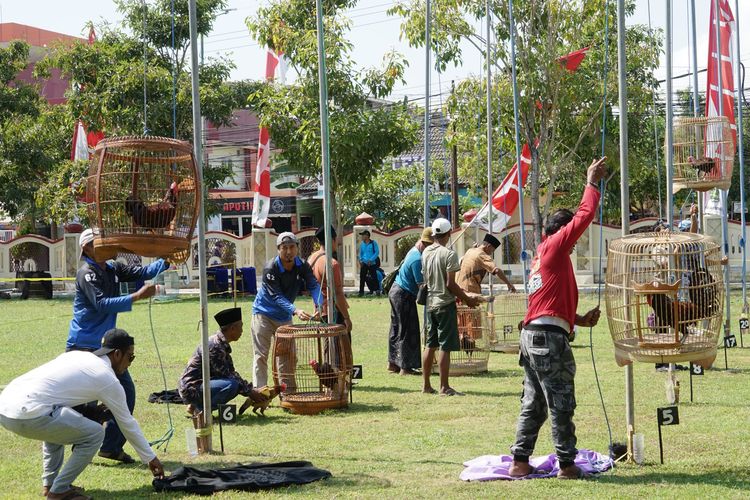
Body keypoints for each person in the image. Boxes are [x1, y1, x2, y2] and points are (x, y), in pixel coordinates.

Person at [507, 157, 606, 480]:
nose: (574, 243)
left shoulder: (542, 257)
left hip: (536, 334)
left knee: (534, 403)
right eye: (571, 237)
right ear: (562, 232)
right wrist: (591, 182)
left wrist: (577, 319)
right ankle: (566, 464)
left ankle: (520, 461)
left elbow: (545, 306)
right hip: (547, 340)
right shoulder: (554, 248)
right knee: (561, 400)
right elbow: (585, 215)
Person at [0, 329, 165, 500]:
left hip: (5, 409)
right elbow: (127, 423)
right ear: (117, 354)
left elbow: (55, 394)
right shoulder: (108, 379)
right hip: (28, 414)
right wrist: (150, 458)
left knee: (57, 426)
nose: (130, 363)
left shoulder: (76, 356)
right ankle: (59, 491)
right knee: (95, 433)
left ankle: (50, 484)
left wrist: (88, 411)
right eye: (130, 357)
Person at [67, 228, 169, 464]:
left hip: (107, 349)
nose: (106, 246)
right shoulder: (86, 272)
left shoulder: (112, 268)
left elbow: (143, 271)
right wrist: (136, 298)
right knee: (86, 402)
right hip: (84, 346)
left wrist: (167, 260)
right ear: (87, 248)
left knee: (126, 393)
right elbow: (102, 304)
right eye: (99, 243)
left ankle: (110, 446)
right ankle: (81, 445)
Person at [251, 232, 322, 388]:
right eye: (284, 248)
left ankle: (288, 391)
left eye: (292, 247)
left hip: (284, 317)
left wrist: (319, 304)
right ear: (278, 249)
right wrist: (295, 310)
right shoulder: (271, 268)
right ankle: (260, 392)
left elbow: (313, 285)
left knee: (288, 355)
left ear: (297, 248)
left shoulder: (302, 265)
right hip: (263, 314)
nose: (288, 251)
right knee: (261, 355)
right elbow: (276, 296)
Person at [421, 218, 480, 396]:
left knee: (430, 344)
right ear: (448, 234)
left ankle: (426, 386)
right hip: (445, 304)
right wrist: (467, 299)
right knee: (445, 346)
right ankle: (444, 387)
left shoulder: (426, 252)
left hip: (430, 304)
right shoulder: (449, 254)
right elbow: (450, 284)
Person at [179, 307, 268, 415]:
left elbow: (231, 372)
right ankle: (201, 411)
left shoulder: (220, 344)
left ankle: (195, 406)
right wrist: (250, 392)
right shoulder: (215, 346)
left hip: (199, 384)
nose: (242, 331)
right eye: (241, 327)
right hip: (192, 388)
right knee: (232, 385)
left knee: (235, 383)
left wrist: (251, 390)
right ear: (232, 328)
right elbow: (226, 375)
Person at [387, 227, 433, 375]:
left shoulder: (413, 251)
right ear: (424, 243)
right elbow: (422, 286)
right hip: (403, 295)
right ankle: (405, 367)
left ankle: (393, 364)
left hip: (396, 292)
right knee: (408, 329)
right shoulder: (417, 259)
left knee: (396, 328)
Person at [307, 226, 352, 334]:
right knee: (341, 349)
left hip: (321, 311)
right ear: (332, 240)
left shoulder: (311, 259)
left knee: (328, 346)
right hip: (334, 312)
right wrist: (346, 318)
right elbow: (338, 294)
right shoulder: (332, 264)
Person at [358, 229, 381, 296]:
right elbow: (361, 253)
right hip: (364, 263)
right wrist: (360, 260)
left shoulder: (373, 243)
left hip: (372, 263)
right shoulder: (362, 244)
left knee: (374, 276)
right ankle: (361, 292)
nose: (362, 237)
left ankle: (377, 291)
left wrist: (371, 260)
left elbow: (376, 252)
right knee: (362, 277)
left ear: (367, 236)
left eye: (363, 235)